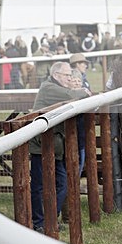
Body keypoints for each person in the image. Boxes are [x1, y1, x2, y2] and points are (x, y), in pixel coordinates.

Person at [28, 61, 91, 233]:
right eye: (67, 75)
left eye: (71, 75)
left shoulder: (54, 87)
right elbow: (75, 94)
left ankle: (49, 220)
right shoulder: (50, 88)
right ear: (56, 75)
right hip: (41, 146)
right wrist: (83, 90)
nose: (70, 78)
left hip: (54, 146)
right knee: (40, 185)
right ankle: (39, 222)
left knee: (61, 183)